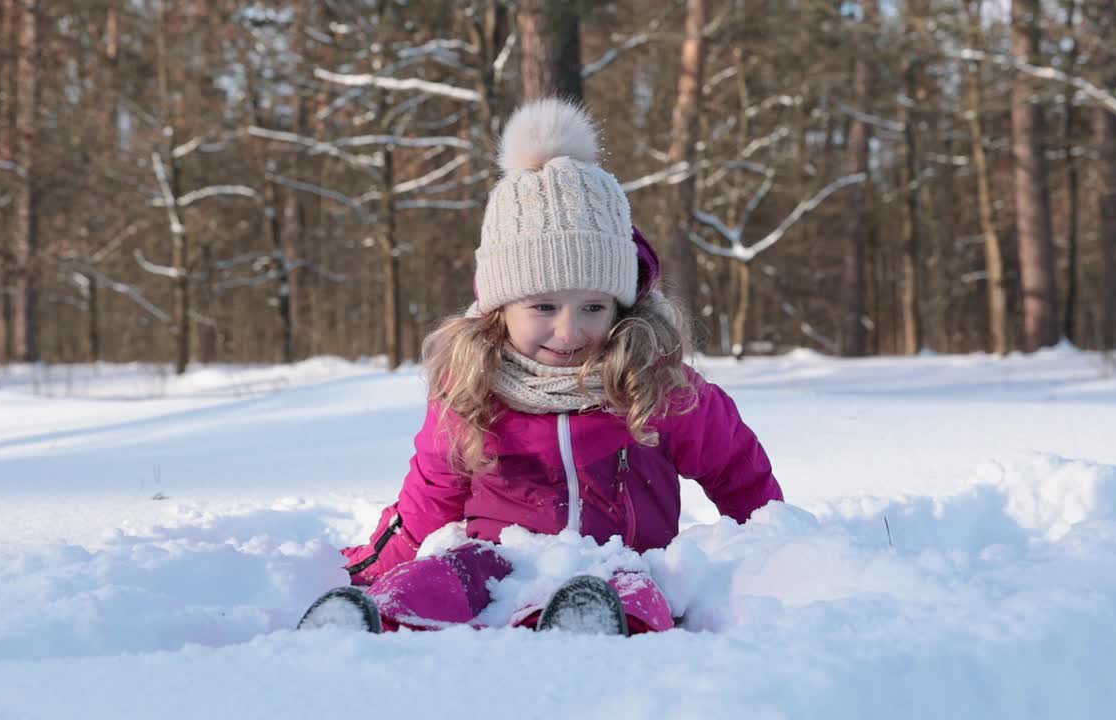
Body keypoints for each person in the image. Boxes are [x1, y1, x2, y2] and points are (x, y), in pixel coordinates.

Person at [298, 98, 782, 636]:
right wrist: (366, 568)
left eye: (593, 307)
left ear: (621, 307)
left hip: (620, 559)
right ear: (499, 307)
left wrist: (776, 555)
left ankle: (591, 628)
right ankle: (369, 622)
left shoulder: (656, 385)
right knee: (445, 572)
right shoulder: (473, 391)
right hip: (497, 563)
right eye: (544, 307)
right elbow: (428, 501)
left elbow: (740, 473)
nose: (570, 332)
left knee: (632, 585)